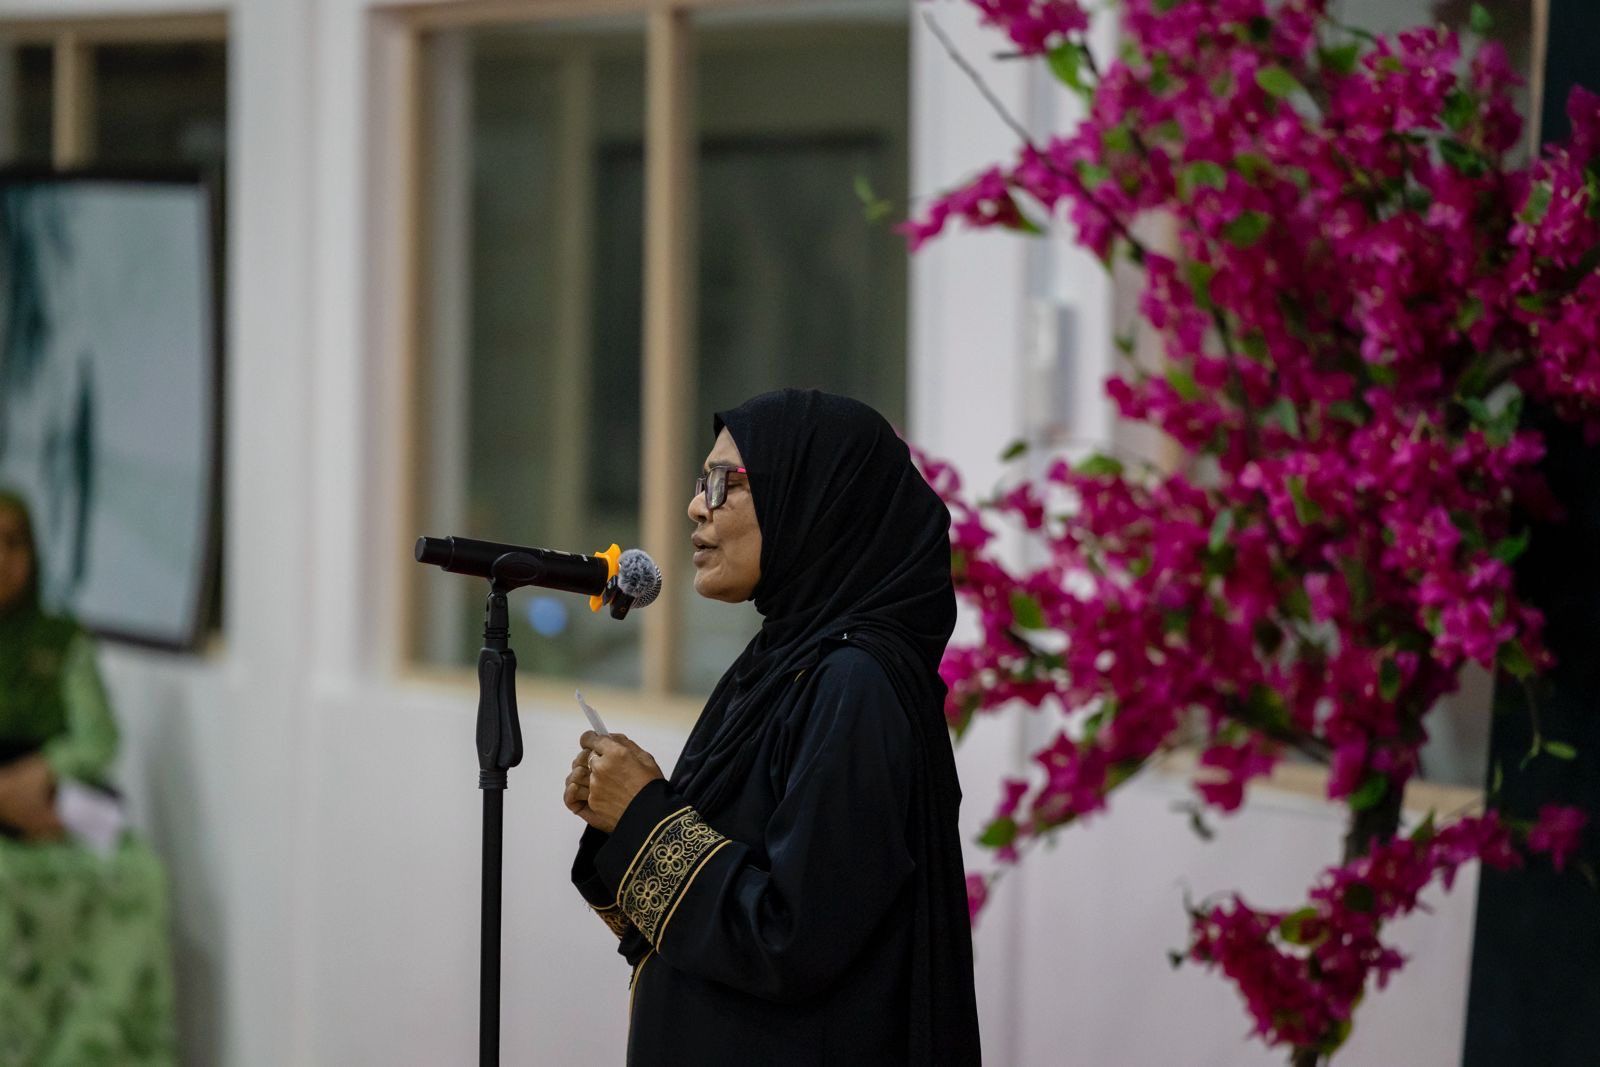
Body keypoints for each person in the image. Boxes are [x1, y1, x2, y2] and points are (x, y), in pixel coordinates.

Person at [565, 389, 981, 1065]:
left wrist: (643, 814)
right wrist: (623, 819)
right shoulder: (779, 663)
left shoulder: (857, 685)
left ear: (817, 498)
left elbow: (792, 936)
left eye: (724, 482)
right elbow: (697, 923)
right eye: (701, 482)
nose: (696, 505)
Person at [0, 488, 176, 1065]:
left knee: (137, 874)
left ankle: (99, 1047)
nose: (3, 559)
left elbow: (99, 738)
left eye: (14, 543)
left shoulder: (61, 642)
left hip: (48, 796)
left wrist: (43, 774)